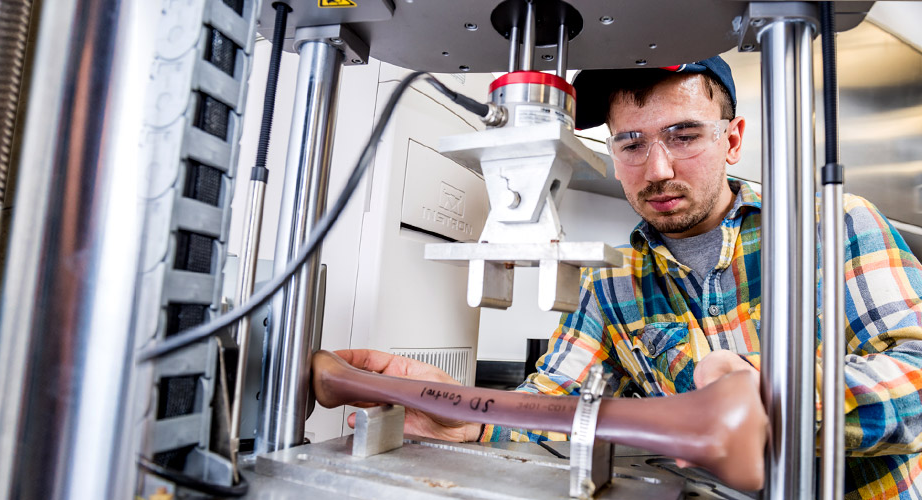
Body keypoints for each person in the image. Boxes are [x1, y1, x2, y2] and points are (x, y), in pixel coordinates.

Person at [335, 56, 922, 498]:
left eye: (684, 135)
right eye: (632, 143)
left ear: (732, 139)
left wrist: (775, 398)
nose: (658, 169)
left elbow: (917, 383)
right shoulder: (612, 280)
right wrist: (464, 417)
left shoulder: (832, 224)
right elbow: (555, 410)